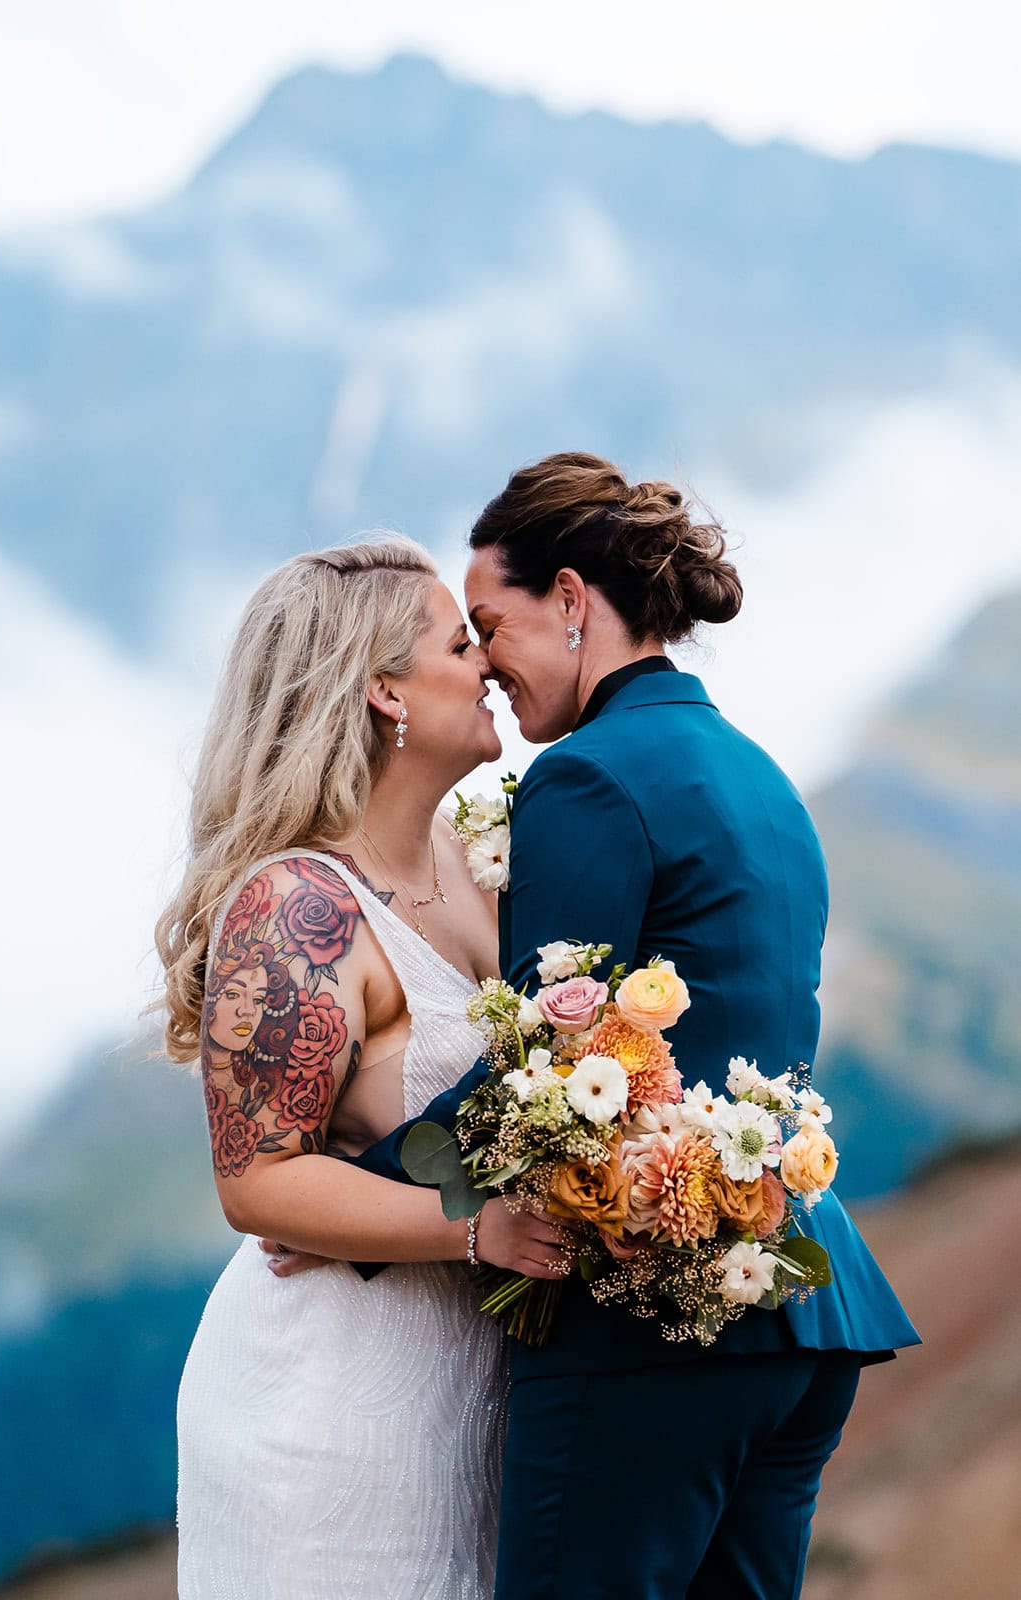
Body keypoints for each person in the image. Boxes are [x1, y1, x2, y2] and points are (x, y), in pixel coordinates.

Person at [272, 452, 920, 1600]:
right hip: (799, 1310)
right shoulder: (761, 777)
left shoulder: (584, 779)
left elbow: (546, 1069)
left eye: (490, 626)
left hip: (649, 1329)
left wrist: (347, 1206)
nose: (484, 665)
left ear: (571, 600)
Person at [158, 537, 573, 1600]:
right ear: (385, 690)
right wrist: (479, 1228)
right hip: (327, 1416)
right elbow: (258, 1181)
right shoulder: (295, 905)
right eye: (458, 644)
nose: (486, 663)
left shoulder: (474, 861)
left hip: (467, 1399)